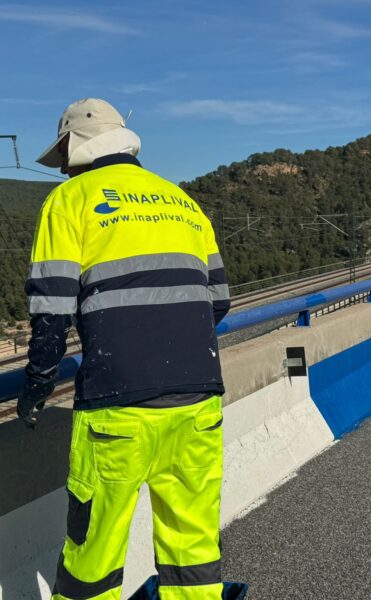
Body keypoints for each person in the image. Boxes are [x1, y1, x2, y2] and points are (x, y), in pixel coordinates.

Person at [17, 98, 232, 600]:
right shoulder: (181, 200)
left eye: (62, 157)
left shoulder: (70, 200)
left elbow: (52, 310)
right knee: (193, 553)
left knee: (93, 558)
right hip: (198, 402)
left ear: (75, 146)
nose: (62, 169)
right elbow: (218, 301)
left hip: (117, 409)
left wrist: (37, 386)